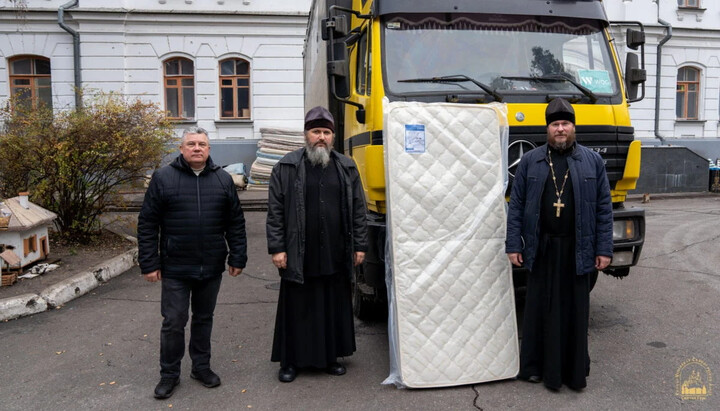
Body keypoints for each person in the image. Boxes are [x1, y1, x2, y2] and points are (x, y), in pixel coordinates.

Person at [505, 98, 613, 391]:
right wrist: (514, 244)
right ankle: (538, 369)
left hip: (578, 249)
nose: (561, 129)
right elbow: (516, 206)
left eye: (566, 123)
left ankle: (573, 372)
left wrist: (604, 249)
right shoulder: (531, 161)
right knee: (541, 309)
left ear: (573, 127)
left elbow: (604, 209)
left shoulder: (592, 161)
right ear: (548, 129)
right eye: (555, 124)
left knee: (574, 311)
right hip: (542, 248)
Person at [138, 127, 247, 399]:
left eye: (202, 144)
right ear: (181, 148)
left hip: (211, 265)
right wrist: (149, 263)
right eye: (191, 144)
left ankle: (201, 367)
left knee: (204, 319)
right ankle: (169, 374)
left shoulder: (223, 180)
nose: (197, 148)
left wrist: (238, 256)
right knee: (173, 321)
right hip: (175, 266)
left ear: (209, 149)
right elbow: (148, 224)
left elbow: (235, 223)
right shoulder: (163, 178)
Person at [266, 106, 368, 383]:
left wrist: (360, 245)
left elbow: (359, 208)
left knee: (331, 304)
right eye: (315, 132)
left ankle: (329, 358)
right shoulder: (286, 166)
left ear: (332, 137)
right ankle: (291, 362)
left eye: (326, 132)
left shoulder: (345, 167)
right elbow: (275, 211)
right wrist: (277, 247)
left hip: (335, 250)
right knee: (297, 307)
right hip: (299, 251)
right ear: (306, 135)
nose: (321, 137)